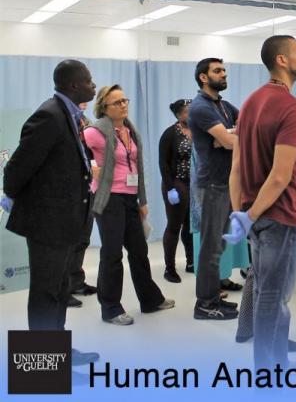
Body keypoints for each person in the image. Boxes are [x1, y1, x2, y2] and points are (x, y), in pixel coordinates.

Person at [2, 59, 99, 364]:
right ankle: (42, 369)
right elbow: (15, 170)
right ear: (73, 85)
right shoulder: (49, 115)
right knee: (45, 295)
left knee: (60, 291)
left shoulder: (70, 115)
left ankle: (60, 354)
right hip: (48, 224)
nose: (93, 85)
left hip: (66, 221)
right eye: (89, 80)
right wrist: (24, 200)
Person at [225, 35, 296, 368]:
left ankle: (280, 365)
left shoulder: (250, 102)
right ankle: (268, 374)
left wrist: (240, 214)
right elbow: (279, 176)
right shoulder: (294, 108)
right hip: (281, 216)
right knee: (273, 298)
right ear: (282, 60)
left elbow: (236, 168)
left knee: (265, 293)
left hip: (255, 215)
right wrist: (253, 213)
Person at [84, 85, 174, 325]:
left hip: (129, 197)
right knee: (112, 254)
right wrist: (90, 170)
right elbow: (77, 156)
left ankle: (150, 300)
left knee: (139, 251)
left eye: (125, 100)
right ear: (104, 107)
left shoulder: (129, 130)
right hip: (109, 198)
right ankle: (111, 308)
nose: (124, 105)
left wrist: (142, 200)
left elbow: (138, 168)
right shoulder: (94, 132)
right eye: (117, 102)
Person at [188, 57, 240, 320]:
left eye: (224, 71)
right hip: (211, 185)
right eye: (217, 71)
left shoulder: (225, 106)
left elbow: (248, 130)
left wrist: (227, 136)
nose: (223, 75)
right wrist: (226, 138)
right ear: (203, 77)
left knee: (218, 247)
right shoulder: (200, 107)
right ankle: (205, 304)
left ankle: (213, 295)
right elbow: (231, 143)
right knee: (210, 247)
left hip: (226, 182)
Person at [158, 99, 193, 283]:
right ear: (179, 115)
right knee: (174, 226)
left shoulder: (199, 131)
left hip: (194, 185)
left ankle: (191, 261)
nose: (192, 113)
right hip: (176, 183)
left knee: (190, 226)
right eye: (188, 111)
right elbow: (163, 163)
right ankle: (169, 268)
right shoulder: (170, 134)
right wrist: (171, 188)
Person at [68, 101, 97, 308]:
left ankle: (77, 282)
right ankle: (64, 288)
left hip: (89, 187)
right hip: (70, 191)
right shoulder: (61, 121)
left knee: (83, 239)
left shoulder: (86, 122)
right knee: (69, 242)